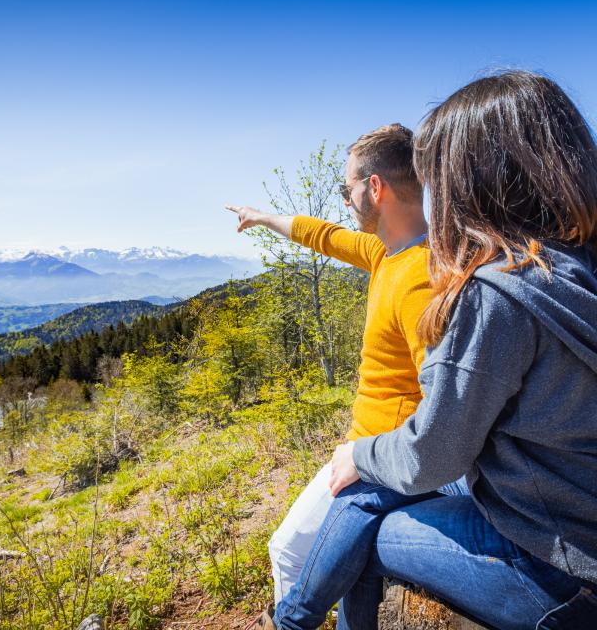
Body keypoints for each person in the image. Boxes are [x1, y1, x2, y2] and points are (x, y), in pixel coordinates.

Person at [268, 70, 597, 630]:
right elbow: (330, 236)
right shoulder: (571, 263)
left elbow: (434, 451)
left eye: (440, 175)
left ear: (474, 179)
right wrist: (265, 217)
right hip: (572, 515)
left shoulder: (495, 294)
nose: (434, 193)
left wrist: (360, 455)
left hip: (557, 565)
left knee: (358, 521)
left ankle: (291, 620)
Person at [226, 124, 431, 610]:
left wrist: (372, 460)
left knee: (287, 551)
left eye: (347, 188)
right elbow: (323, 236)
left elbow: (448, 398)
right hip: (372, 454)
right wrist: (262, 217)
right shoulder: (389, 253)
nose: (344, 199)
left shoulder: (418, 277)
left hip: (379, 460)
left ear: (375, 188)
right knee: (347, 581)